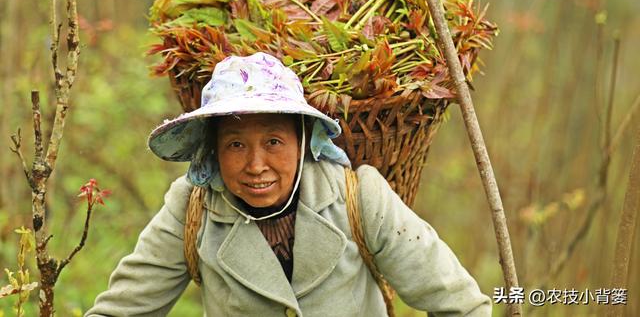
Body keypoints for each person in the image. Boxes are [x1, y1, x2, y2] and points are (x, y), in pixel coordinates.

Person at [86, 52, 491, 316]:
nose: (256, 165)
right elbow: (121, 311)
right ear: (213, 150)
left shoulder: (360, 198)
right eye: (236, 144)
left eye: (274, 142)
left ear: (304, 142)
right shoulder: (192, 209)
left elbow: (460, 305)